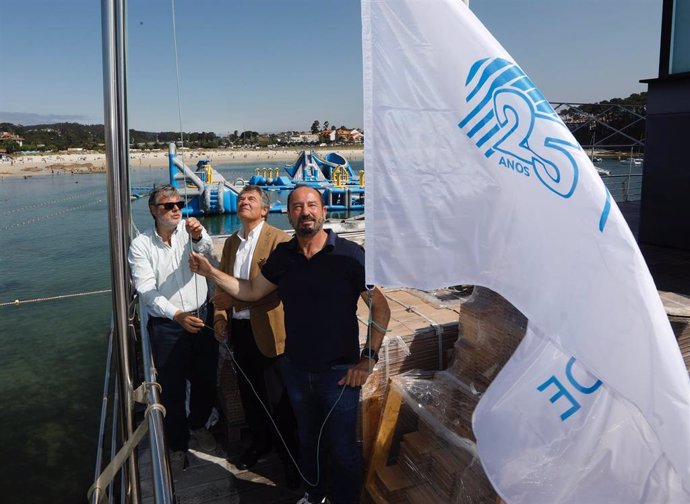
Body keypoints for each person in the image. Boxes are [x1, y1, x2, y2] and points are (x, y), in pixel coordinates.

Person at [190, 185, 391, 504]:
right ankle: (315, 495)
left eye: (312, 205)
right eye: (297, 207)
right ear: (290, 214)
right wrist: (211, 270)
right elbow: (252, 290)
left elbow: (380, 306)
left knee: (342, 449)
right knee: (307, 441)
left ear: (324, 212)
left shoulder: (350, 255)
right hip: (296, 369)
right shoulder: (283, 256)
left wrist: (368, 358)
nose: (305, 211)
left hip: (339, 374)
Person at [128, 184, 219, 478]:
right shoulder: (140, 245)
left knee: (206, 381)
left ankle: (199, 426)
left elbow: (208, 251)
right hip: (168, 326)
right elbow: (145, 289)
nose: (176, 209)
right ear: (154, 210)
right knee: (173, 388)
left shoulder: (189, 234)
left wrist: (199, 235)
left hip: (201, 317)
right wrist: (176, 314)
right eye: (168, 205)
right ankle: (178, 443)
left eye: (179, 203)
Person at [212, 185, 300, 488]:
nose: (243, 202)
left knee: (279, 399)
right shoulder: (231, 244)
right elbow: (222, 286)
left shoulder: (280, 241)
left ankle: (290, 457)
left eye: (250, 199)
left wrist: (233, 302)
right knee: (250, 395)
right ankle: (260, 443)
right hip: (241, 331)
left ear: (264, 210)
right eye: (241, 199)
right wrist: (221, 317)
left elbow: (273, 293)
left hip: (270, 332)